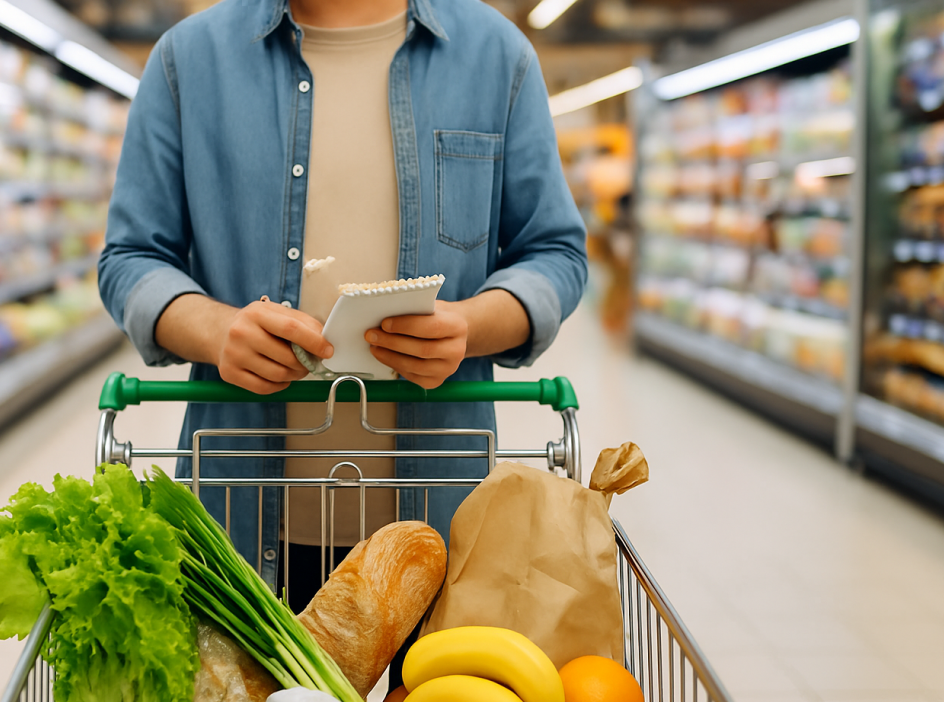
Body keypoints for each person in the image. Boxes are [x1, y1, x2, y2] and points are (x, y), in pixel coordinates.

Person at [98, 0, 588, 613]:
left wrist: (470, 324)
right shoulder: (188, 61)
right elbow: (131, 258)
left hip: (443, 524)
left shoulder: (496, 56)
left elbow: (555, 253)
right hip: (241, 530)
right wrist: (215, 330)